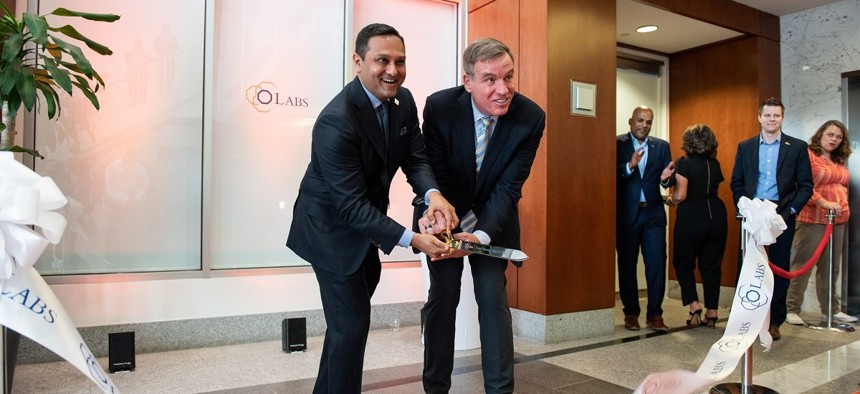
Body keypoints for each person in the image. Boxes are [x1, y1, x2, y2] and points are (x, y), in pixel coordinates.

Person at [286, 23, 458, 394]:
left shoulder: (404, 101)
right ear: (358, 61)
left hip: (364, 232)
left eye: (400, 61)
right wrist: (413, 239)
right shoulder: (336, 121)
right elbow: (349, 206)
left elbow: (415, 158)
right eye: (382, 60)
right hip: (329, 232)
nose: (392, 70)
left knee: (344, 329)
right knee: (351, 329)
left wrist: (433, 196)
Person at [416, 38, 545, 394]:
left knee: (492, 296)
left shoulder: (530, 117)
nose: (502, 90)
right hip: (446, 217)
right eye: (489, 79)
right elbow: (430, 170)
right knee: (444, 296)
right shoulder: (440, 107)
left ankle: (500, 390)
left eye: (508, 77)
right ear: (468, 81)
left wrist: (482, 236)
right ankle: (435, 387)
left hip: (493, 220)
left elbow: (509, 188)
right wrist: (442, 219)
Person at [730, 97, 814, 340]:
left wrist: (791, 212)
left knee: (778, 267)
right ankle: (744, 318)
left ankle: (775, 321)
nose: (771, 119)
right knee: (747, 266)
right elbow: (737, 182)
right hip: (752, 213)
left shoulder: (796, 147)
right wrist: (744, 207)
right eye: (767, 115)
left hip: (781, 213)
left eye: (776, 115)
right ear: (759, 117)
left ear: (782, 118)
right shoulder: (745, 147)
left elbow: (806, 186)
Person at [786, 120, 858, 325]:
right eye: (830, 135)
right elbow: (802, 185)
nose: (834, 139)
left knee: (831, 267)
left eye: (839, 137)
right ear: (821, 135)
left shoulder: (838, 159)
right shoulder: (808, 155)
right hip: (812, 219)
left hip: (839, 220)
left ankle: (831, 309)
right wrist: (823, 202)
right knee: (803, 264)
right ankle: (791, 309)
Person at [616, 105, 675, 331]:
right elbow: (609, 172)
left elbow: (667, 179)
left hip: (653, 215)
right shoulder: (617, 143)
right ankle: (631, 313)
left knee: (656, 265)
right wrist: (629, 167)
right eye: (640, 120)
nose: (644, 125)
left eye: (648, 122)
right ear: (631, 121)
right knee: (627, 265)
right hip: (627, 215)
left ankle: (655, 314)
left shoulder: (661, 146)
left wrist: (664, 180)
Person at [665, 124, 727, 328]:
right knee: (711, 265)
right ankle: (712, 310)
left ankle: (694, 306)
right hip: (717, 214)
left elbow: (681, 194)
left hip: (692, 215)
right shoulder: (715, 163)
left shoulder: (684, 163)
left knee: (683, 262)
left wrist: (668, 201)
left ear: (688, 142)